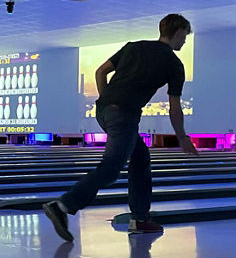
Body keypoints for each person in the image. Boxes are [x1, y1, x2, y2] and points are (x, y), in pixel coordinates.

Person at [42, 13, 197, 240]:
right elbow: (174, 107)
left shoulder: (133, 47)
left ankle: (140, 218)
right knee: (110, 169)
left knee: (140, 158)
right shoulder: (174, 64)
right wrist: (182, 137)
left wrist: (107, 101)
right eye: (185, 35)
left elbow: (100, 72)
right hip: (123, 116)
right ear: (178, 31)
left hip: (105, 111)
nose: (184, 40)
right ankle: (62, 205)